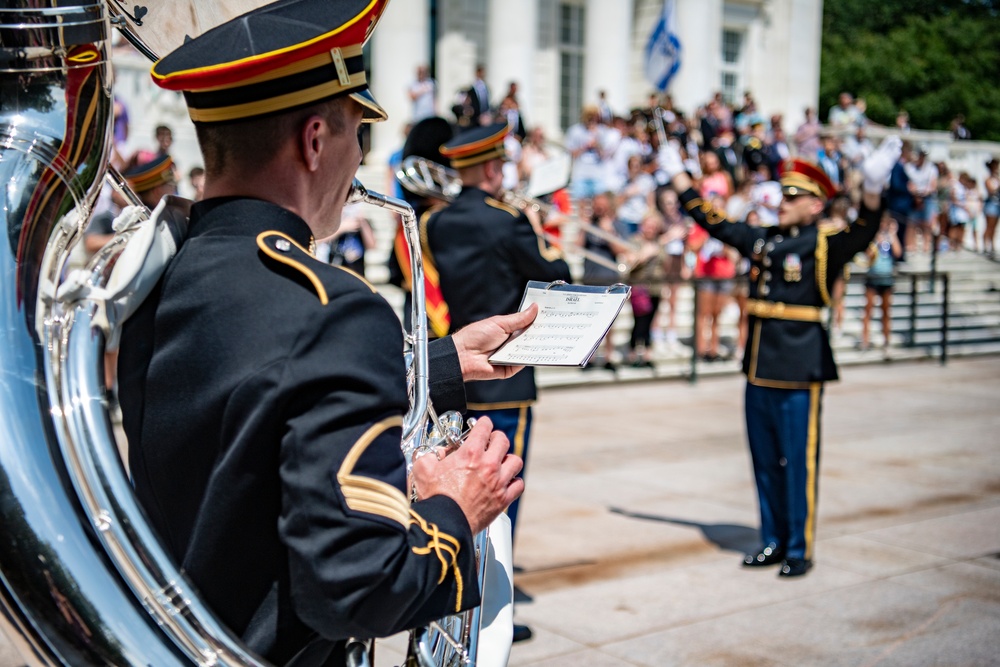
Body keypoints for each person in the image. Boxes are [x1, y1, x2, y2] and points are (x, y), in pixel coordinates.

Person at [118, 3, 534, 664]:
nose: (359, 161)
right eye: (356, 137)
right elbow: (359, 589)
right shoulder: (334, 309)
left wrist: (442, 360)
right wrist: (457, 507)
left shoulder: (166, 275)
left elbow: (253, 389)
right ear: (315, 141)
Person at [658, 134, 901, 577]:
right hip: (758, 368)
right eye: (783, 194)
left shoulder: (826, 244)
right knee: (765, 461)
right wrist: (678, 177)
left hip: (797, 368)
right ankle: (771, 538)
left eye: (794, 197)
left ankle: (798, 546)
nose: (783, 202)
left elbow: (866, 228)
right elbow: (714, 222)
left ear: (815, 205)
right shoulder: (765, 241)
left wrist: (871, 188)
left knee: (797, 463)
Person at [422, 122, 571, 643]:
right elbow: (558, 269)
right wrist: (535, 223)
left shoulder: (436, 224)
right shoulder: (509, 220)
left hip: (456, 371)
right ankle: (489, 607)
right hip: (507, 371)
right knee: (501, 490)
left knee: (460, 483)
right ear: (491, 168)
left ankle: (458, 596)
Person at [860, 213, 902, 354]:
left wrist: (893, 234)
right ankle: (865, 340)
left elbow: (898, 252)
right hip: (873, 277)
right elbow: (868, 255)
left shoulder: (890, 238)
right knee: (868, 310)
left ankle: (886, 340)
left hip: (886, 278)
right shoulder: (873, 238)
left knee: (885, 311)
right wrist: (875, 241)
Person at [983, 158, 1000, 258]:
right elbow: (991, 191)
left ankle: (992, 246)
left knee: (994, 227)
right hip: (991, 204)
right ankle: (986, 246)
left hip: (997, 204)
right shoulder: (988, 178)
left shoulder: (996, 178)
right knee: (989, 226)